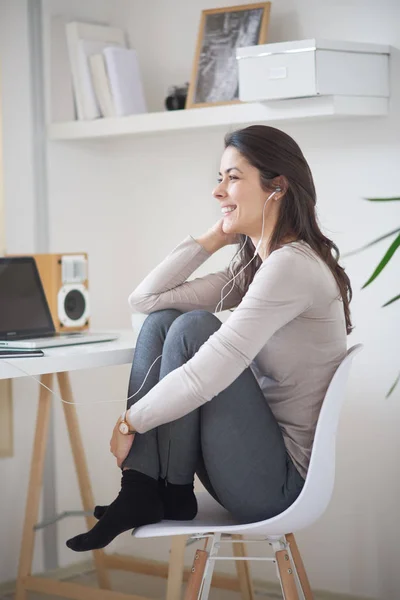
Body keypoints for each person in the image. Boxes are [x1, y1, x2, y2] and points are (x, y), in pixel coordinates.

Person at [66, 125, 352, 552]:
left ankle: (149, 489)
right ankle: (152, 489)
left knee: (195, 328)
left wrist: (130, 422)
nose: (218, 192)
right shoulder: (260, 265)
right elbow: (146, 301)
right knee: (167, 319)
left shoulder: (290, 267)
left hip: (277, 486)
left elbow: (208, 372)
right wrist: (216, 237)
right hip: (247, 463)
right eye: (219, 179)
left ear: (278, 188)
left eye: (233, 178)